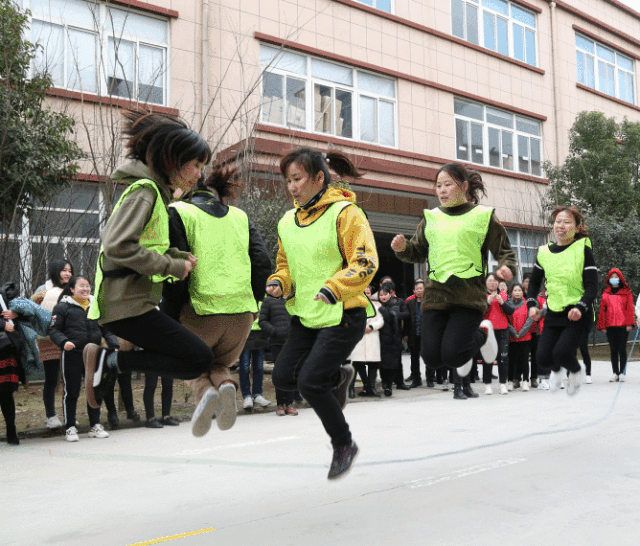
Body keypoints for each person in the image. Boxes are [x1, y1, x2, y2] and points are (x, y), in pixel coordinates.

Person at [83, 109, 218, 438]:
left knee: (195, 358)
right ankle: (107, 362)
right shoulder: (145, 192)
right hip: (125, 305)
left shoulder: (156, 195)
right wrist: (171, 266)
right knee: (198, 358)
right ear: (173, 161)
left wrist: (176, 257)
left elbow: (142, 249)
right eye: (196, 165)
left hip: (133, 304)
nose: (199, 174)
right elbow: (118, 246)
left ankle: (109, 363)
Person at [266, 147, 378, 480]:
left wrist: (335, 287)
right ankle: (337, 378)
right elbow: (285, 266)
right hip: (306, 315)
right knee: (282, 377)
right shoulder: (287, 221)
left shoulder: (346, 213)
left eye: (297, 179)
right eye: (288, 180)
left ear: (318, 178)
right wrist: (279, 282)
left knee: (310, 382)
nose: (292, 187)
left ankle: (344, 444)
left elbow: (366, 261)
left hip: (344, 312)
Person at [161, 165, 272, 436]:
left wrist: (170, 316)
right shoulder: (240, 217)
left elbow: (177, 272)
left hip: (199, 312)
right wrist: (255, 304)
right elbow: (262, 263)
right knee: (219, 364)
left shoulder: (178, 212)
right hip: (241, 316)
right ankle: (225, 386)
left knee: (189, 363)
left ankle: (205, 391)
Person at [391, 163, 516, 384]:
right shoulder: (431, 217)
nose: (442, 190)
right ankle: (474, 337)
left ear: (464, 186)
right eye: (438, 185)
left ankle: (484, 333)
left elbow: (504, 251)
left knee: (453, 356)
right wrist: (403, 248)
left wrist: (506, 267)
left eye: (448, 184)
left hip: (467, 297)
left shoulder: (483, 216)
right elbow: (418, 251)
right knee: (431, 358)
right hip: (436, 296)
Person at [527, 206, 598, 397]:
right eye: (558, 221)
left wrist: (580, 307)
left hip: (578, 314)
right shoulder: (544, 252)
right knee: (542, 359)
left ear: (576, 228)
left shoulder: (582, 249)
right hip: (554, 313)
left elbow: (592, 286)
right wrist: (532, 304)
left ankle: (576, 372)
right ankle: (557, 371)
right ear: (553, 225)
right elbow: (533, 283)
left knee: (562, 353)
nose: (561, 225)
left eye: (567, 222)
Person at [49, 276, 120, 442]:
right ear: (72, 289)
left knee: (94, 391)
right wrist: (64, 342)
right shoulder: (62, 307)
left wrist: (114, 344)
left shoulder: (95, 306)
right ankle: (70, 428)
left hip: (93, 354)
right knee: (72, 391)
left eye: (87, 286)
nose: (85, 289)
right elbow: (53, 330)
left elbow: (106, 329)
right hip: (72, 354)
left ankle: (94, 425)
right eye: (81, 286)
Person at [30, 259, 74, 429]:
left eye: (70, 271)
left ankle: (68, 415)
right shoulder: (43, 289)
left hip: (69, 340)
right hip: (49, 340)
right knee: (51, 379)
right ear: (56, 271)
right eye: (64, 270)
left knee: (69, 379)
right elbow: (33, 313)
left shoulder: (73, 289)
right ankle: (51, 416)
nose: (68, 274)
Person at [259, 295, 297, 415]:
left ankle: (289, 404)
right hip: (277, 343)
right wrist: (274, 332)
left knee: (291, 372)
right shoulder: (268, 301)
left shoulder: (293, 299)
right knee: (280, 372)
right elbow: (262, 321)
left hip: (292, 342)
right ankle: (280, 404)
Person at [597, 268, 635, 382]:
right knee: (613, 349)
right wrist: (602, 325)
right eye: (612, 277)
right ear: (609, 279)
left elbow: (630, 309)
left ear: (620, 278)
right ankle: (615, 373)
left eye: (616, 277)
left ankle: (622, 372)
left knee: (622, 349)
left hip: (623, 325)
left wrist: (630, 323)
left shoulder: (626, 293)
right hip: (610, 326)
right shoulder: (606, 293)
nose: (614, 279)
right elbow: (602, 310)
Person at [0, 284, 26, 445]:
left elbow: (29, 313)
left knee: (6, 392)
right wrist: (3, 325)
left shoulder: (4, 294)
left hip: (5, 349)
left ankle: (11, 431)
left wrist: (16, 314)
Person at [348, 285, 384, 397]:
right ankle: (350, 389)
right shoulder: (353, 306)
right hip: (359, 339)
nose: (366, 294)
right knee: (356, 363)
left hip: (372, 337)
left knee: (373, 364)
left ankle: (371, 388)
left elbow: (381, 320)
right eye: (363, 292)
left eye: (368, 293)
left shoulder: (376, 307)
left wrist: (372, 327)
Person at [481, 273, 513, 395]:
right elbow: (478, 313)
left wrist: (502, 302)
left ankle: (503, 384)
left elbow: (511, 311)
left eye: (495, 281)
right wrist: (487, 302)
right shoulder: (481, 295)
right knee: (488, 357)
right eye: (490, 280)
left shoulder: (503, 294)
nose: (493, 283)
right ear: (485, 283)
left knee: (503, 358)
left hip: (503, 330)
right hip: (487, 330)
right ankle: (487, 384)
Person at [238, 308, 272, 411]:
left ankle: (257, 394)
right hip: (245, 333)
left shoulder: (262, 300)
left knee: (259, 367)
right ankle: (247, 396)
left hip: (260, 334)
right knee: (244, 367)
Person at [377, 283, 404, 397]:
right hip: (380, 340)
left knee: (392, 365)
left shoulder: (394, 305)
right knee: (382, 364)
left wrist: (380, 307)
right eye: (381, 295)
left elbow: (389, 317)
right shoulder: (376, 306)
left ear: (390, 294)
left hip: (392, 340)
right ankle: (384, 382)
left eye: (385, 294)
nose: (383, 297)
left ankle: (389, 386)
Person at [507, 283, 534, 392]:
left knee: (524, 360)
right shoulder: (507, 304)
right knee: (511, 360)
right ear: (511, 292)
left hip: (525, 337)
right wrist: (514, 333)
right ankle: (510, 381)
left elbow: (530, 319)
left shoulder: (527, 304)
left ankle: (525, 381)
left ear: (523, 292)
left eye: (519, 290)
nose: (517, 292)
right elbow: (506, 320)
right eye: (515, 290)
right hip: (512, 337)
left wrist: (521, 333)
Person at [406, 279, 426, 388]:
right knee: (414, 358)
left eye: (421, 288)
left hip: (426, 335)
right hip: (413, 334)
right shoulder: (410, 303)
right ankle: (416, 379)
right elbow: (407, 320)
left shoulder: (428, 302)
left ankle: (430, 378)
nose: (419, 291)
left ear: (424, 289)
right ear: (414, 291)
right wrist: (405, 334)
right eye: (417, 289)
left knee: (427, 356)